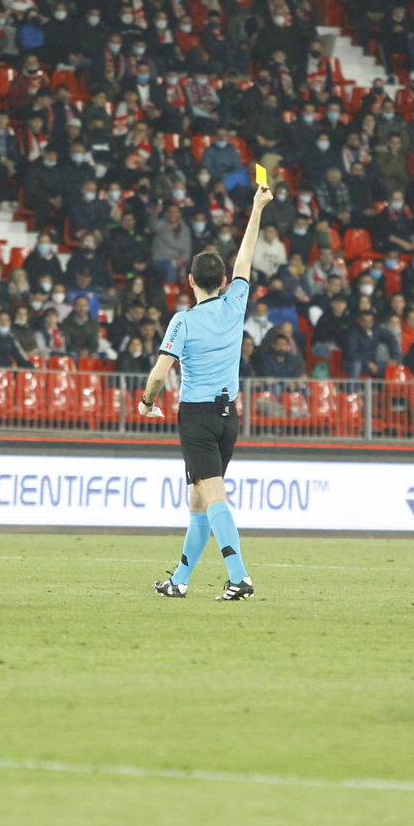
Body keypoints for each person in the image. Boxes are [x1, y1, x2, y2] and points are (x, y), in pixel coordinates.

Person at [145, 183, 274, 601]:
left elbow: (160, 372)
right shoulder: (236, 301)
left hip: (197, 416)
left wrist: (147, 402)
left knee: (212, 494)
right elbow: (247, 255)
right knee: (198, 500)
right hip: (228, 416)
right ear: (223, 280)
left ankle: (240, 578)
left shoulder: (182, 321)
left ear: (189, 281)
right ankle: (179, 581)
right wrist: (256, 208)